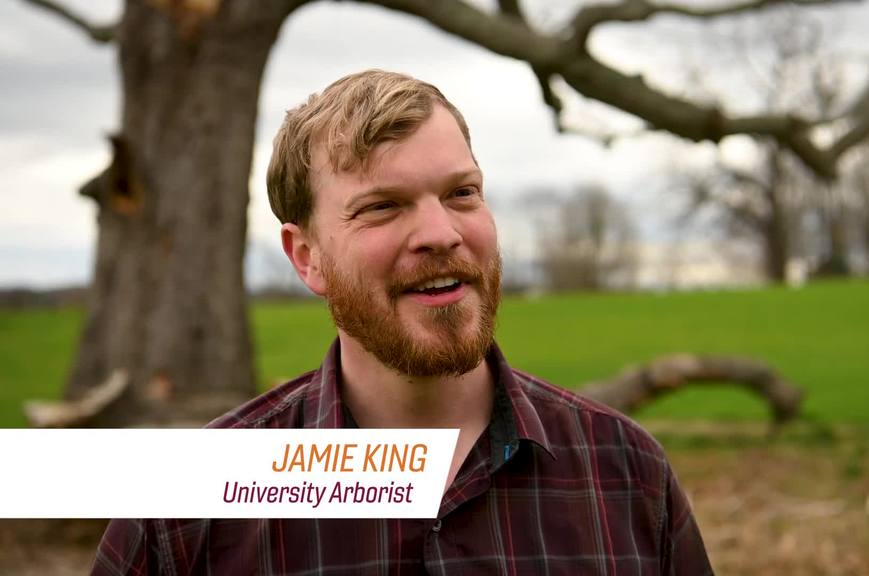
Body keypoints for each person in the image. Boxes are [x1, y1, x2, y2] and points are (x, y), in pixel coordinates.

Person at [92, 70, 714, 575]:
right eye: (382, 207)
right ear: (307, 257)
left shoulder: (627, 476)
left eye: (461, 194)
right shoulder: (184, 512)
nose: (441, 234)